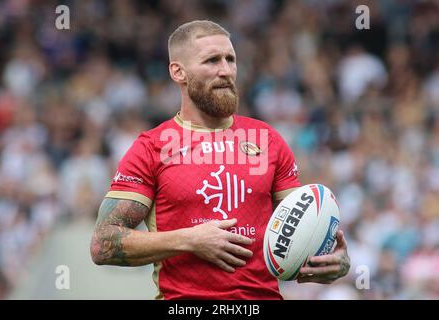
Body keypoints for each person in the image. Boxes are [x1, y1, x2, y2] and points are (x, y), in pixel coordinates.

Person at [90, 20, 350, 300]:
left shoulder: (267, 139)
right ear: (179, 72)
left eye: (230, 59)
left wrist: (337, 261)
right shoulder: (152, 147)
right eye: (212, 60)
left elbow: (301, 229)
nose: (225, 71)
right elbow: (103, 244)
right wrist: (189, 240)